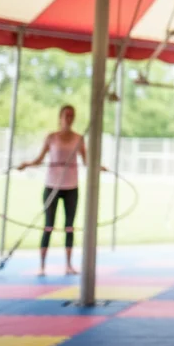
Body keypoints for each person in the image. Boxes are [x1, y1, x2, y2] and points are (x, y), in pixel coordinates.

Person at [18, 104, 104, 277]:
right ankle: (42, 265)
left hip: (71, 186)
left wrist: (98, 167)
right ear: (60, 117)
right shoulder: (51, 137)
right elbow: (39, 159)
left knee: (69, 227)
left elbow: (87, 162)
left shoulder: (79, 139)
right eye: (66, 115)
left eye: (72, 115)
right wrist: (26, 164)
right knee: (48, 225)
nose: (69, 118)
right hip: (52, 186)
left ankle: (69, 265)